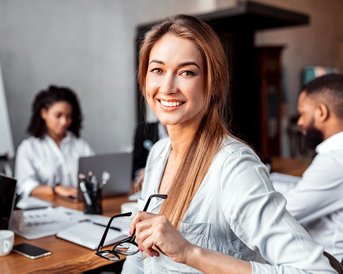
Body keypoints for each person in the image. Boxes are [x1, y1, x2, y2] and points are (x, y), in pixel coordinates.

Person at [121, 14, 335, 273]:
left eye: (186, 72)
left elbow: (320, 271)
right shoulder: (158, 153)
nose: (167, 87)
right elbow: (140, 255)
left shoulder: (233, 167)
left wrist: (190, 252)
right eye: (157, 70)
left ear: (212, 84)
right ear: (144, 78)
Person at [280, 73, 343, 261]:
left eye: (302, 113)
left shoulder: (335, 160)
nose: (299, 121)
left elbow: (283, 212)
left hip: (329, 264)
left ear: (321, 112)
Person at [15, 85, 94, 198]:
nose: (64, 122)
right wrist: (55, 190)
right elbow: (25, 185)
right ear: (44, 113)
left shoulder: (80, 145)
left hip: (76, 205)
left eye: (68, 116)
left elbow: (95, 174)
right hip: (45, 208)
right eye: (58, 115)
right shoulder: (28, 147)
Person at [132, 121, 167, 190]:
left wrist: (153, 172)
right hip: (148, 188)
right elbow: (136, 164)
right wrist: (140, 173)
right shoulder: (144, 130)